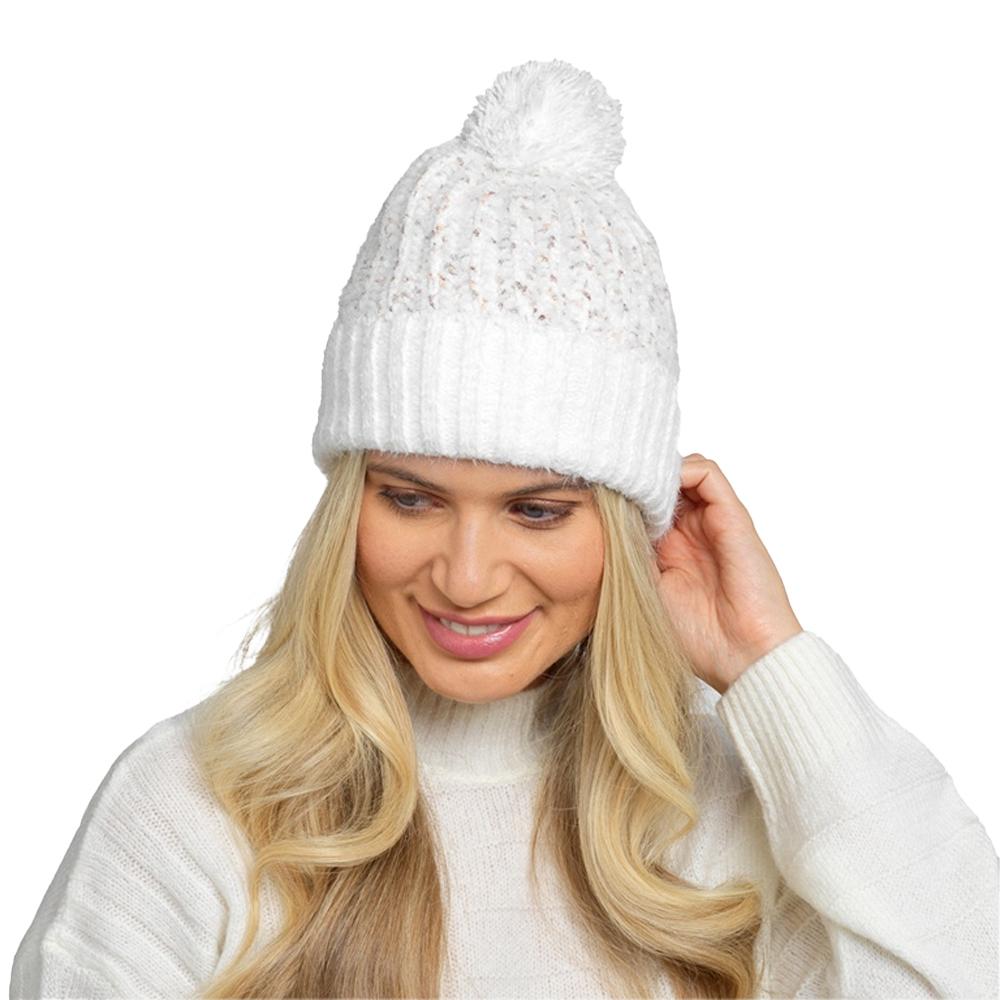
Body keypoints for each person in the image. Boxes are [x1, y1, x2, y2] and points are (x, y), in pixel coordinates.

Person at [9, 58, 998, 1000]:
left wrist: (772, 665)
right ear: (347, 504)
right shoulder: (196, 805)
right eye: (410, 498)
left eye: (536, 510)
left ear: (627, 529)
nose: (468, 576)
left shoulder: (725, 807)